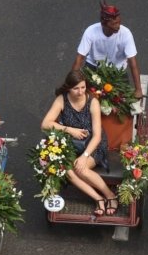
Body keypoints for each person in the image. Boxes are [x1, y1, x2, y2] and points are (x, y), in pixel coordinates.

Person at [41, 70, 117, 216]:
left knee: (80, 168)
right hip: (72, 144)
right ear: (69, 87)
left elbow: (97, 136)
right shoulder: (61, 100)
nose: (80, 92)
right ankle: (98, 198)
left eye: (83, 87)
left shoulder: (92, 102)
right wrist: (69, 130)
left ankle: (110, 195)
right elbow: (45, 124)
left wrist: (85, 156)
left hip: (93, 145)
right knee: (66, 170)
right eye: (76, 88)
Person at [72, 1, 143, 99]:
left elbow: (132, 63)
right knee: (85, 97)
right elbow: (79, 58)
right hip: (93, 68)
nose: (118, 26)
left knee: (121, 100)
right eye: (114, 24)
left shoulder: (126, 34)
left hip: (117, 70)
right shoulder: (90, 32)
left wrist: (138, 89)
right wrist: (71, 84)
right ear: (103, 24)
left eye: (119, 22)